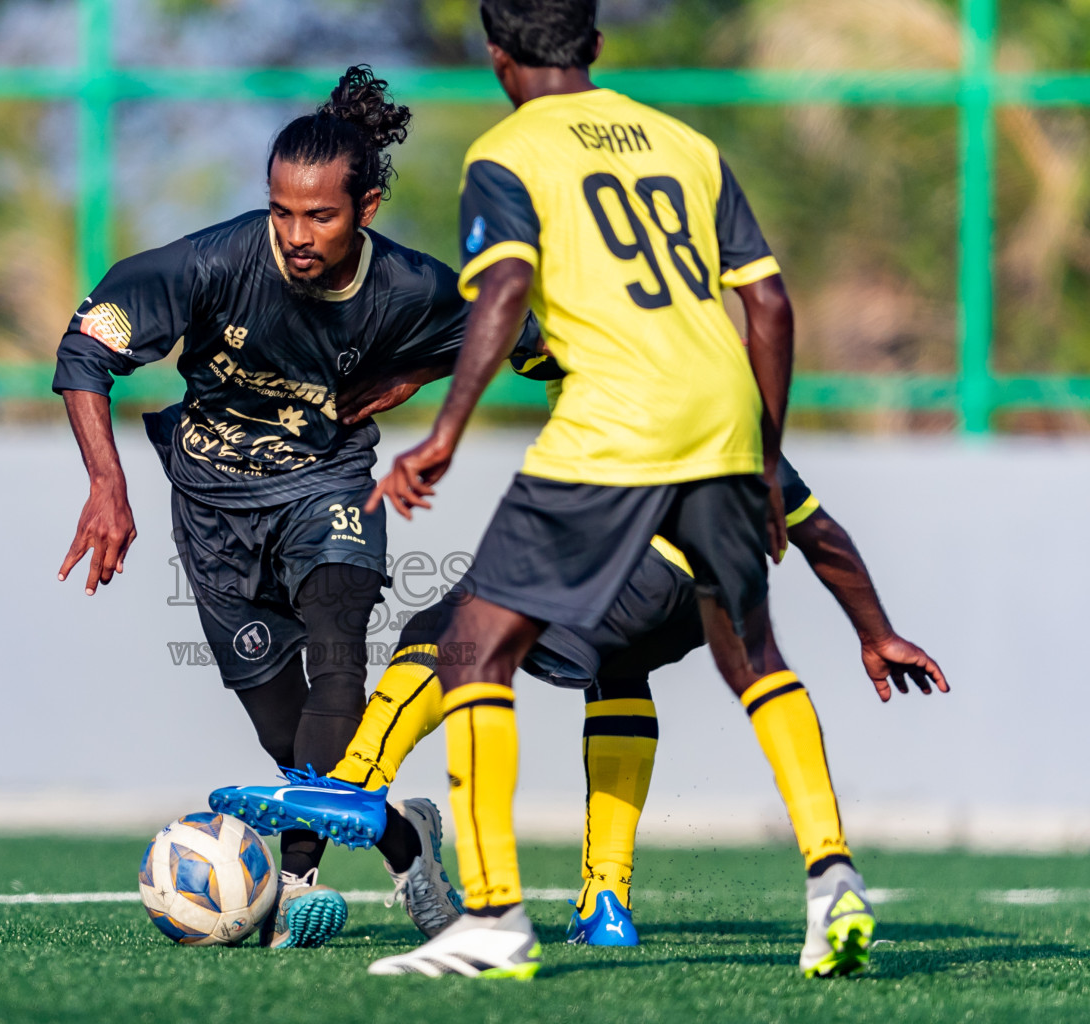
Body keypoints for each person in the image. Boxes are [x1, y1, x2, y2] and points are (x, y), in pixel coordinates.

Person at [352, 0, 868, 979]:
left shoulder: (510, 153)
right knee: (754, 654)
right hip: (721, 414)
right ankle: (831, 873)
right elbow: (767, 298)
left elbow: (503, 295)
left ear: (497, 54)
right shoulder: (685, 144)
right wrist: (764, 449)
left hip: (616, 423)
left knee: (469, 644)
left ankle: (496, 916)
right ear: (593, 45)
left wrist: (447, 431)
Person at [53, 67, 534, 949]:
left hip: (329, 485)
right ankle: (403, 836)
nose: (298, 234)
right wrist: (107, 484)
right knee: (290, 734)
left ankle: (298, 879)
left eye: (320, 215)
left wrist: (416, 371)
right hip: (211, 507)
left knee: (337, 655)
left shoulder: (411, 288)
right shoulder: (210, 263)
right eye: (282, 211)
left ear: (369, 207)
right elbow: (88, 348)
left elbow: (513, 326)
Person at [212, 437, 949, 956]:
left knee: (453, 621)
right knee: (621, 673)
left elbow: (503, 327)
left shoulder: (618, 371)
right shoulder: (730, 396)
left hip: (633, 572)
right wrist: (876, 632)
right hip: (709, 600)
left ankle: (355, 786)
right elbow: (819, 531)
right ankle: (606, 905)